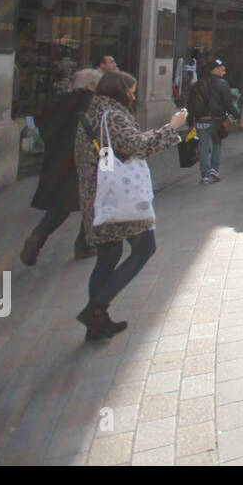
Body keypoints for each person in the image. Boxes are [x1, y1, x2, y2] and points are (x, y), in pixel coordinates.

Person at [74, 71, 187, 341]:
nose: (134, 96)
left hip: (99, 196)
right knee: (145, 247)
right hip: (118, 196)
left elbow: (120, 144)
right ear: (119, 91)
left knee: (108, 256)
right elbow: (139, 147)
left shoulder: (94, 112)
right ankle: (94, 310)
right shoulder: (113, 115)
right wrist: (172, 127)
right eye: (132, 91)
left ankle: (96, 324)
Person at [22, 68, 100, 265]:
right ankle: (85, 244)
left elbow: (45, 126)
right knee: (92, 201)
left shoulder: (61, 101)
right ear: (92, 84)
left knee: (62, 206)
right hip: (83, 160)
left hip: (58, 160)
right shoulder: (93, 103)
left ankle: (38, 237)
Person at [187, 58, 238, 184]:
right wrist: (237, 115)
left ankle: (204, 175)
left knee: (203, 147)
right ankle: (214, 169)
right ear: (214, 70)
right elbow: (228, 103)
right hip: (217, 120)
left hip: (201, 121)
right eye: (222, 69)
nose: (224, 72)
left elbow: (190, 105)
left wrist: (189, 122)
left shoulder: (196, 85)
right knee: (217, 144)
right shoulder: (223, 84)